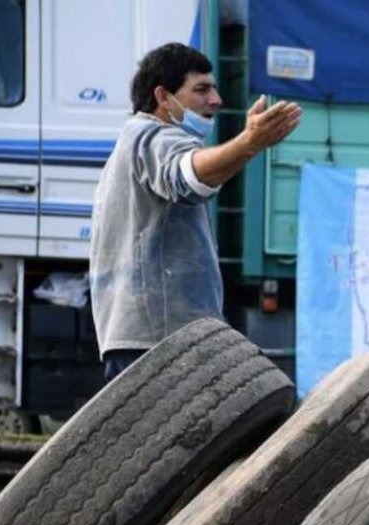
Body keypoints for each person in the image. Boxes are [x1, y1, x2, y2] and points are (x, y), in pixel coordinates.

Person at [90, 42, 301, 382]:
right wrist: (249, 143)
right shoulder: (154, 138)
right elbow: (186, 175)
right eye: (202, 89)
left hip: (145, 337)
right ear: (163, 97)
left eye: (214, 89)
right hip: (160, 341)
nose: (216, 100)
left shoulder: (130, 145)